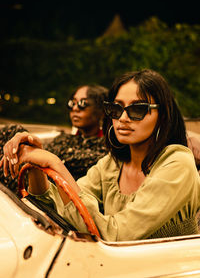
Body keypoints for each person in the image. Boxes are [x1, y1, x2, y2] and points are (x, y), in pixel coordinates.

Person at [1, 69, 200, 242]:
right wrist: (36, 164)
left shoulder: (177, 164)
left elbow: (116, 236)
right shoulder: (112, 165)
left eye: (137, 109)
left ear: (163, 115)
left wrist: (53, 162)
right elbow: (61, 209)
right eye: (116, 108)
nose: (122, 118)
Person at [0, 84, 108, 194]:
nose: (75, 108)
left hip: (41, 193)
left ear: (102, 111)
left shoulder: (104, 150)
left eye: (83, 104)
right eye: (72, 103)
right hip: (22, 181)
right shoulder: (65, 138)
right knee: (13, 132)